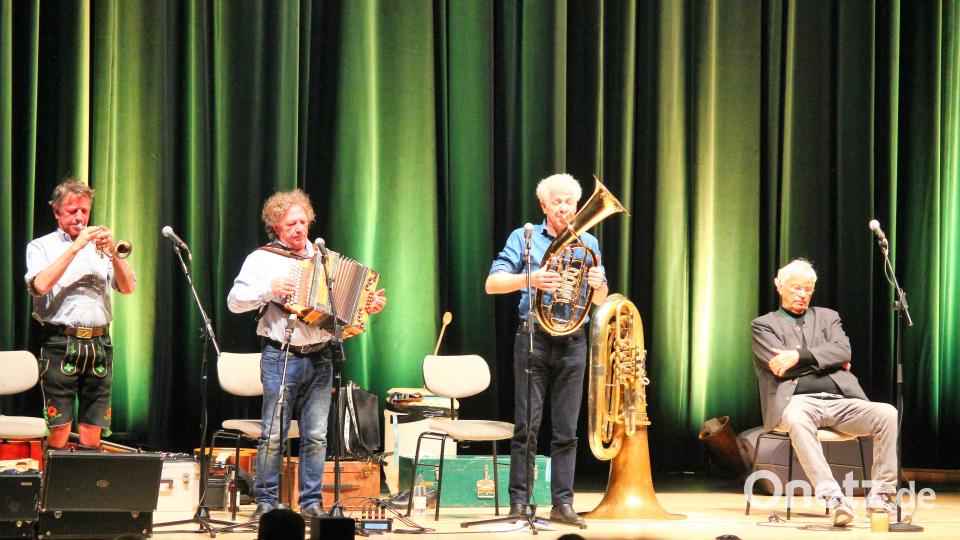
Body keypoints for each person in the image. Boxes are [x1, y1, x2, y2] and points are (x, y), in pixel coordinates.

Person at [227, 188, 386, 521]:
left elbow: (343, 316)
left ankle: (311, 503)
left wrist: (367, 307)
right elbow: (234, 301)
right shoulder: (263, 259)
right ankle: (266, 502)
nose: (299, 229)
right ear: (276, 228)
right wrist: (268, 290)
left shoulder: (324, 258)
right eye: (290, 225)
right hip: (280, 355)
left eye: (302, 222)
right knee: (274, 434)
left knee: (316, 435)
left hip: (321, 356)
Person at [485, 173, 608, 526]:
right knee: (527, 427)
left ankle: (562, 504)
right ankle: (520, 502)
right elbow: (492, 283)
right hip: (534, 338)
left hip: (573, 340)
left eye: (570, 201)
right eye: (557, 201)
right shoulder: (524, 239)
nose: (565, 208)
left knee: (566, 431)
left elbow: (599, 298)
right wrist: (532, 279)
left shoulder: (589, 242)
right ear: (544, 205)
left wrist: (599, 284)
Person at [751, 258, 899, 526]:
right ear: (780, 287)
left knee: (887, 413)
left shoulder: (828, 317)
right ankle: (833, 497)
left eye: (808, 289)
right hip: (797, 403)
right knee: (797, 418)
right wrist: (827, 362)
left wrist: (799, 356)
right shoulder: (764, 325)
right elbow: (779, 369)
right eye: (796, 288)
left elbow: (843, 351)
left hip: (840, 400)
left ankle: (882, 497)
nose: (802, 294)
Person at [24, 178, 137, 450]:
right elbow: (39, 285)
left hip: (99, 344)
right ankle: (53, 490)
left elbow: (128, 287)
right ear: (57, 211)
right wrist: (76, 247)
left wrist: (113, 252)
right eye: (72, 210)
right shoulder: (41, 246)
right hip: (60, 343)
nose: (80, 217)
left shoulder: (100, 248)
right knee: (60, 427)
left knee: (93, 426)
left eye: (84, 211)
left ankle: (88, 490)